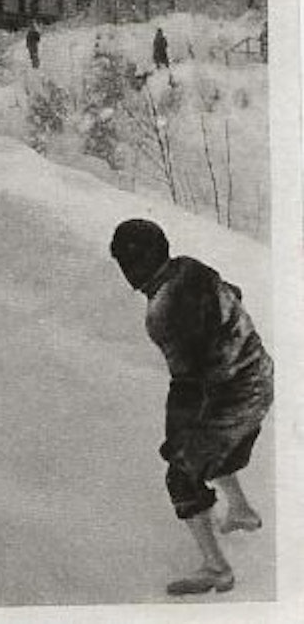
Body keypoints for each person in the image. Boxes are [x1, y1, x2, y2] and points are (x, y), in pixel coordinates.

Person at [109, 219, 274, 596]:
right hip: (260, 372)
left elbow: (188, 386)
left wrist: (176, 440)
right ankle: (241, 511)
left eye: (126, 261)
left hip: (236, 392)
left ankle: (217, 569)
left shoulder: (162, 312)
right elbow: (235, 291)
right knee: (212, 445)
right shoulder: (189, 266)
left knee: (182, 471)